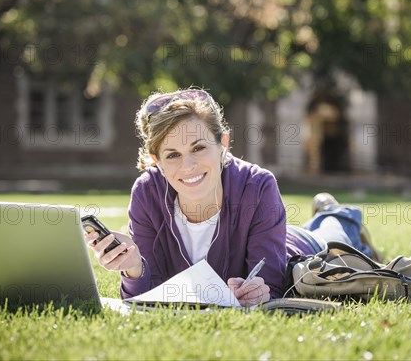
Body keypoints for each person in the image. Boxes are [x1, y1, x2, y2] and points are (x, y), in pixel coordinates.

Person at [84, 88, 340, 307]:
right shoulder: (146, 193)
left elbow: (271, 284)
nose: (189, 166)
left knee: (335, 234)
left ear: (223, 144)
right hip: (280, 230)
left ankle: (334, 212)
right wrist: (133, 267)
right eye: (173, 155)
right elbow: (147, 296)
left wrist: (259, 292)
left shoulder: (258, 185)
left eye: (199, 147)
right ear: (157, 162)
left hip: (299, 244)